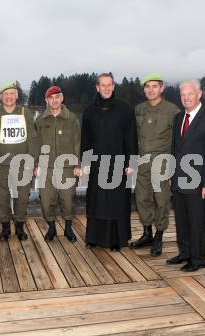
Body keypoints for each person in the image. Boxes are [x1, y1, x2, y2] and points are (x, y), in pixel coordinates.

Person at [167, 79, 205, 272]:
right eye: (183, 95)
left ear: (199, 94)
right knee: (181, 220)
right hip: (179, 180)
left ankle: (198, 259)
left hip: (199, 183)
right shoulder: (178, 118)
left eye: (190, 94)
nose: (186, 98)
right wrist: (171, 175)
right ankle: (184, 253)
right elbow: (174, 150)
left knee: (196, 222)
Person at [81, 73, 138, 250]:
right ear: (97, 88)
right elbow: (86, 139)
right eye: (102, 85)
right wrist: (86, 161)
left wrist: (132, 162)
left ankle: (116, 240)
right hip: (97, 164)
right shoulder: (89, 111)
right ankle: (94, 238)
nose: (106, 88)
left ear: (113, 87)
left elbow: (131, 137)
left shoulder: (125, 108)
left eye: (109, 85)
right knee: (96, 201)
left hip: (119, 163)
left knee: (117, 202)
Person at [131, 74, 180, 257]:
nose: (150, 90)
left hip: (162, 162)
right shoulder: (139, 110)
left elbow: (178, 140)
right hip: (142, 161)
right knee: (142, 198)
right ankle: (147, 233)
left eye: (154, 86)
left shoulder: (172, 110)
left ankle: (159, 236)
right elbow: (133, 136)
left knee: (161, 200)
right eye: (147, 87)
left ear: (162, 88)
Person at [34, 86, 81, 242]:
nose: (54, 101)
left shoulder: (72, 118)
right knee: (47, 201)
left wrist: (77, 165)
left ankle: (68, 228)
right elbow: (36, 144)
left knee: (68, 200)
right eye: (51, 98)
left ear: (62, 98)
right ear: (47, 100)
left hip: (67, 167)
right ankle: (52, 228)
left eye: (57, 97)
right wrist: (36, 164)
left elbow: (77, 143)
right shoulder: (40, 120)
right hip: (46, 167)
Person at [0, 81, 37, 241]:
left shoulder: (26, 113)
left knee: (23, 196)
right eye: (5, 94)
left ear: (17, 95)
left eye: (12, 93)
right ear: (0, 97)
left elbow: (32, 138)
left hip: (22, 163)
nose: (9, 97)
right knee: (1, 197)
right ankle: (5, 227)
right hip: (0, 164)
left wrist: (32, 161)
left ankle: (20, 226)